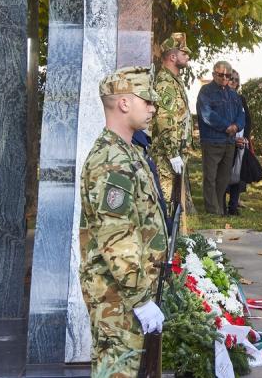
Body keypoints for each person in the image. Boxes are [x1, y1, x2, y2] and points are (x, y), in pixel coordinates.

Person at [79, 66, 168, 376]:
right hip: (117, 296)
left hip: (131, 290)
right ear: (124, 103)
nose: (154, 108)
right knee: (118, 369)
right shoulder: (110, 160)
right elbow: (115, 237)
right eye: (148, 101)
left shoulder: (129, 151)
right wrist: (140, 298)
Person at [151, 32, 196, 214]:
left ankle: (176, 239)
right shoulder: (165, 83)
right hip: (166, 157)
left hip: (175, 154)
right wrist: (172, 153)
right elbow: (164, 119)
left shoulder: (174, 81)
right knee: (166, 202)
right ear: (172, 56)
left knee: (175, 204)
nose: (187, 57)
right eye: (183, 53)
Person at [197, 61, 245, 215]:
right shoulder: (206, 91)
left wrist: (237, 126)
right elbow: (207, 114)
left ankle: (219, 208)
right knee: (210, 177)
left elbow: (241, 114)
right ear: (213, 74)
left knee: (224, 178)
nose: (225, 78)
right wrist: (226, 126)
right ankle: (212, 210)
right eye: (221, 75)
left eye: (228, 75)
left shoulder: (233, 94)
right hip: (212, 141)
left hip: (229, 142)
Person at [225, 69, 252, 215]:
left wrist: (245, 137)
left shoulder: (241, 99)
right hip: (227, 141)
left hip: (241, 142)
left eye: (237, 80)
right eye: (231, 79)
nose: (234, 82)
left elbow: (247, 120)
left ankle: (233, 206)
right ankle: (221, 206)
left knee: (238, 175)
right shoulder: (222, 98)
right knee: (224, 174)